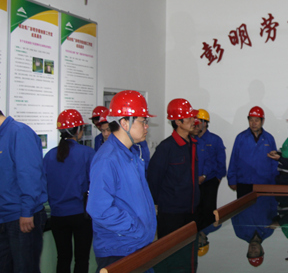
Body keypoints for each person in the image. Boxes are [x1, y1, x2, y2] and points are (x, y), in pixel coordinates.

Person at [86, 90, 157, 272]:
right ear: (125, 123)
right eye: (143, 121)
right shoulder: (107, 159)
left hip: (136, 244)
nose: (146, 127)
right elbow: (98, 209)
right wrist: (136, 227)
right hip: (119, 249)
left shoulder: (130, 153)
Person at [0, 100, 48, 273]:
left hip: (21, 219)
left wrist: (27, 211)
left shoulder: (19, 132)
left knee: (25, 268)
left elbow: (29, 175)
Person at [44, 109, 95, 273]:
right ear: (79, 130)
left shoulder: (49, 156)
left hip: (57, 216)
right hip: (81, 215)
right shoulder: (87, 153)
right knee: (82, 259)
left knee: (63, 258)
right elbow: (95, 182)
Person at [147, 98, 200, 238]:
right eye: (189, 118)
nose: (193, 121)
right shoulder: (166, 147)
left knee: (189, 248)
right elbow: (153, 178)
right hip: (171, 213)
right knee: (171, 249)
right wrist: (156, 204)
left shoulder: (193, 144)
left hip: (191, 210)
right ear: (178, 122)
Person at [227, 106, 278, 198]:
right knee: (244, 207)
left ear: (262, 121)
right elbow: (234, 159)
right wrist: (231, 179)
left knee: (263, 207)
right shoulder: (241, 138)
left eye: (256, 120)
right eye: (251, 120)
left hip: (264, 184)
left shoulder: (269, 139)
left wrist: (274, 182)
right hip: (244, 183)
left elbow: (274, 163)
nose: (253, 123)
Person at [195, 108, 227, 230]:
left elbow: (221, 162)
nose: (196, 123)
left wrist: (217, 179)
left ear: (205, 123)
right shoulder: (191, 139)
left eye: (199, 121)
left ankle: (207, 234)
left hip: (210, 181)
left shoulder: (215, 140)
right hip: (194, 182)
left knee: (209, 211)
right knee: (195, 212)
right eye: (195, 120)